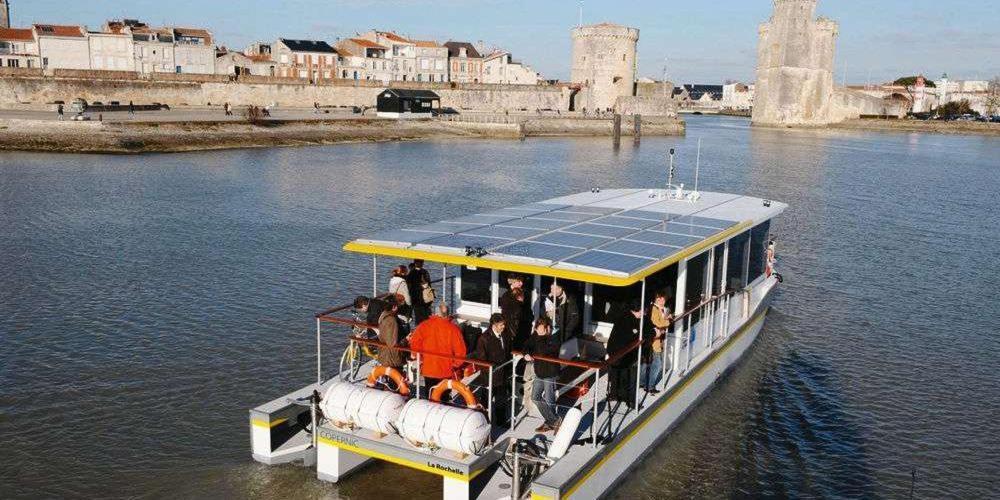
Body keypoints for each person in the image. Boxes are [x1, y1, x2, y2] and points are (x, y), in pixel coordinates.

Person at [407, 311, 467, 394]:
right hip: (446, 370)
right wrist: (455, 365)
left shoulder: (424, 325)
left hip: (429, 369)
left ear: (435, 313)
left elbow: (414, 343)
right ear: (448, 314)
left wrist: (420, 358)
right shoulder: (453, 329)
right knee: (444, 397)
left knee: (430, 394)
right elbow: (460, 351)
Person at [471, 313, 513, 423]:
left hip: (503, 374)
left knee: (501, 399)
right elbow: (481, 359)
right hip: (489, 376)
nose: (503, 327)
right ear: (494, 325)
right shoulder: (484, 339)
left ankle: (501, 421)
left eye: (503, 324)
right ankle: (482, 420)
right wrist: (491, 370)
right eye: (501, 325)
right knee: (486, 399)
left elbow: (507, 352)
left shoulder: (505, 335)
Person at [523, 316, 561, 433]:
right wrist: (526, 353)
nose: (538, 331)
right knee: (535, 397)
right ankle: (554, 420)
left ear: (547, 328)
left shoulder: (554, 337)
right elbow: (527, 345)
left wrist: (539, 338)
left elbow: (545, 351)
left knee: (549, 399)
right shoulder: (536, 336)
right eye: (537, 329)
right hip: (539, 371)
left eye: (541, 329)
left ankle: (551, 422)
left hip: (550, 372)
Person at [605, 300, 644, 408]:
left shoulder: (624, 316)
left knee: (615, 372)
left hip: (614, 350)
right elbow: (631, 337)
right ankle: (630, 400)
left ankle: (614, 394)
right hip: (623, 353)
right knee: (630, 376)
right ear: (637, 310)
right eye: (642, 310)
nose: (643, 313)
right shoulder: (631, 321)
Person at [642, 291, 672, 394]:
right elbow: (657, 322)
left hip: (655, 339)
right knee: (657, 363)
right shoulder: (654, 309)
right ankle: (650, 386)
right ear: (655, 299)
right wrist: (668, 321)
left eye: (663, 299)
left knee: (647, 362)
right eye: (659, 299)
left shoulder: (660, 308)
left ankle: (642, 382)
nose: (662, 301)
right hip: (654, 340)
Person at [499, 274, 532, 349]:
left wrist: (529, 318)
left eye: (522, 281)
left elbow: (529, 312)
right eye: (519, 281)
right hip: (513, 331)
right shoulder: (506, 296)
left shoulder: (525, 294)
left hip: (524, 329)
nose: (521, 283)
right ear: (512, 282)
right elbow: (509, 316)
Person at [376, 297, 405, 370]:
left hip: (385, 354)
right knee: (395, 379)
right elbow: (392, 343)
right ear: (394, 307)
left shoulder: (383, 316)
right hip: (392, 358)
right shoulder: (391, 321)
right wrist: (406, 340)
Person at [407, 259, 432, 324]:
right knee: (425, 316)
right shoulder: (425, 272)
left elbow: (408, 286)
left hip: (416, 298)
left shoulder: (411, 273)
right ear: (422, 263)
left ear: (415, 263)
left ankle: (419, 330)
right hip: (426, 298)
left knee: (418, 317)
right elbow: (429, 284)